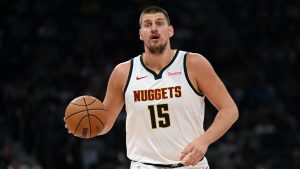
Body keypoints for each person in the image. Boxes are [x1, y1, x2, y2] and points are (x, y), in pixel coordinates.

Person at [100, 6, 239, 169]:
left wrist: (204, 140)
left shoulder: (193, 63)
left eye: (159, 23)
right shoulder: (123, 72)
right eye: (147, 24)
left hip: (191, 165)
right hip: (145, 165)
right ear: (140, 34)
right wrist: (84, 128)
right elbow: (104, 123)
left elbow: (230, 110)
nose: (153, 28)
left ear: (170, 31)